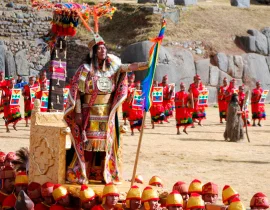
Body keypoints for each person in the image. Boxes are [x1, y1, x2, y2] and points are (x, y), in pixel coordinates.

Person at [64, 34, 148, 184]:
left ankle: (105, 174)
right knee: (88, 144)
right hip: (88, 112)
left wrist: (148, 64)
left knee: (106, 146)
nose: (103, 51)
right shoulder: (85, 69)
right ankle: (84, 174)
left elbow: (130, 67)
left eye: (104, 48)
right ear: (94, 52)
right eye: (100, 49)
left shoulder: (114, 67)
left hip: (107, 114)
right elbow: (77, 92)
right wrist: (77, 112)